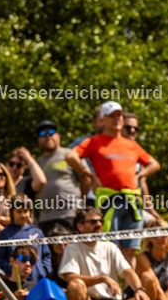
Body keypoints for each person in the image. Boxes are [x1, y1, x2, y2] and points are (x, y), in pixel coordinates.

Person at [67, 102, 161, 262]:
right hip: (108, 202)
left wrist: (139, 176)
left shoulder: (131, 145)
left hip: (132, 202)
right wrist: (89, 174)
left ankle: (130, 288)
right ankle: (111, 285)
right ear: (103, 120)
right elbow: (71, 157)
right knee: (109, 248)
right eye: (112, 116)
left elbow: (155, 164)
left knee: (130, 249)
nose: (117, 119)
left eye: (119, 115)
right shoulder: (94, 141)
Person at [36, 120, 84, 238]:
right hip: (46, 217)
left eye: (51, 132)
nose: (48, 136)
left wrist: (81, 204)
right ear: (39, 140)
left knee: (71, 251)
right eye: (43, 134)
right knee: (50, 254)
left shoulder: (70, 155)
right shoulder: (37, 162)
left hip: (70, 214)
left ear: (58, 136)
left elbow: (85, 180)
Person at [0, 195, 51, 283]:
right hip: (17, 282)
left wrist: (43, 270)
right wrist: (11, 269)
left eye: (25, 211)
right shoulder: (5, 234)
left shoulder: (37, 233)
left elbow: (46, 255)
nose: (23, 215)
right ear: (12, 212)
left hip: (37, 280)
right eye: (19, 211)